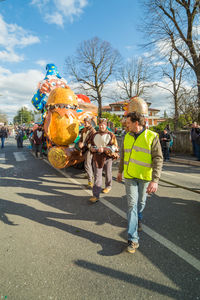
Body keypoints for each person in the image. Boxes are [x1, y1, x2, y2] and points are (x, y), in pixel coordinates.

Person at [117, 112, 163, 254]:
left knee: (141, 203)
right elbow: (123, 155)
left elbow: (158, 159)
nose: (127, 124)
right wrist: (120, 171)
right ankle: (133, 239)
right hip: (130, 176)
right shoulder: (127, 136)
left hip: (144, 177)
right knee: (132, 205)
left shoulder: (152, 136)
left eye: (129, 122)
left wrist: (155, 180)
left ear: (137, 123)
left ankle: (139, 218)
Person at [89, 118, 119, 203]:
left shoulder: (111, 135)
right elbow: (90, 145)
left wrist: (105, 149)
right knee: (97, 176)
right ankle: (95, 195)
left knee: (108, 173)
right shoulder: (94, 135)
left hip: (107, 158)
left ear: (106, 125)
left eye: (103, 125)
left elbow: (115, 147)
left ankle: (108, 186)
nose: (101, 126)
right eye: (100, 125)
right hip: (97, 157)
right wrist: (92, 149)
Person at [78, 117, 96, 188]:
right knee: (87, 163)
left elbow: (94, 142)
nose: (85, 123)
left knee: (87, 164)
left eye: (86, 122)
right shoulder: (83, 130)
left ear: (89, 123)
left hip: (90, 149)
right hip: (84, 149)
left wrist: (84, 144)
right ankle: (90, 175)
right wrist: (80, 142)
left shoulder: (93, 131)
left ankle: (90, 181)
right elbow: (81, 138)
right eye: (84, 122)